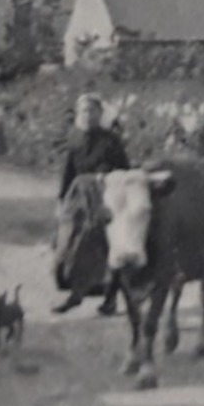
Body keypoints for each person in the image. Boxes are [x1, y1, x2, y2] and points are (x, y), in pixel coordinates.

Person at [52, 93, 130, 316]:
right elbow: (68, 174)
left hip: (108, 198)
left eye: (92, 111)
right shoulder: (74, 140)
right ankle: (76, 293)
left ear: (100, 114)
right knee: (71, 245)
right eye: (84, 111)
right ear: (78, 115)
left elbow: (125, 169)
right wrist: (61, 201)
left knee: (110, 248)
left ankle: (110, 299)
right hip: (79, 200)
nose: (88, 116)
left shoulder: (111, 141)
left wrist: (106, 178)